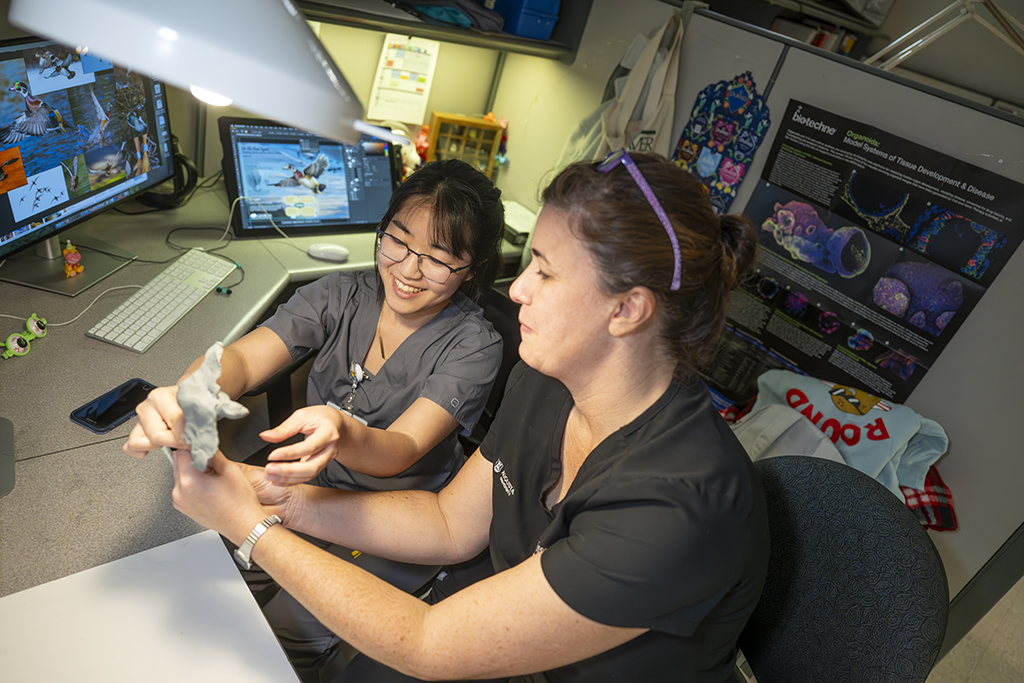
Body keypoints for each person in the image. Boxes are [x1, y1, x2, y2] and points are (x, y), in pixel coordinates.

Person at [134, 151, 769, 682]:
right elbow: (447, 524)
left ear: (627, 310)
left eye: (543, 273)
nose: (516, 289)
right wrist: (280, 500)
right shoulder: (551, 382)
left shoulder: (679, 507)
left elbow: (429, 644)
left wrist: (250, 528)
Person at [125, 158, 506, 680]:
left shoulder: (474, 346)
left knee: (287, 635)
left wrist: (343, 428)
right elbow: (240, 360)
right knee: (208, 579)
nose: (408, 269)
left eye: (439, 258)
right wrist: (191, 395)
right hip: (310, 487)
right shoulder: (341, 294)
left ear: (473, 268)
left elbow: (401, 449)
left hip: (395, 516)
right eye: (396, 240)